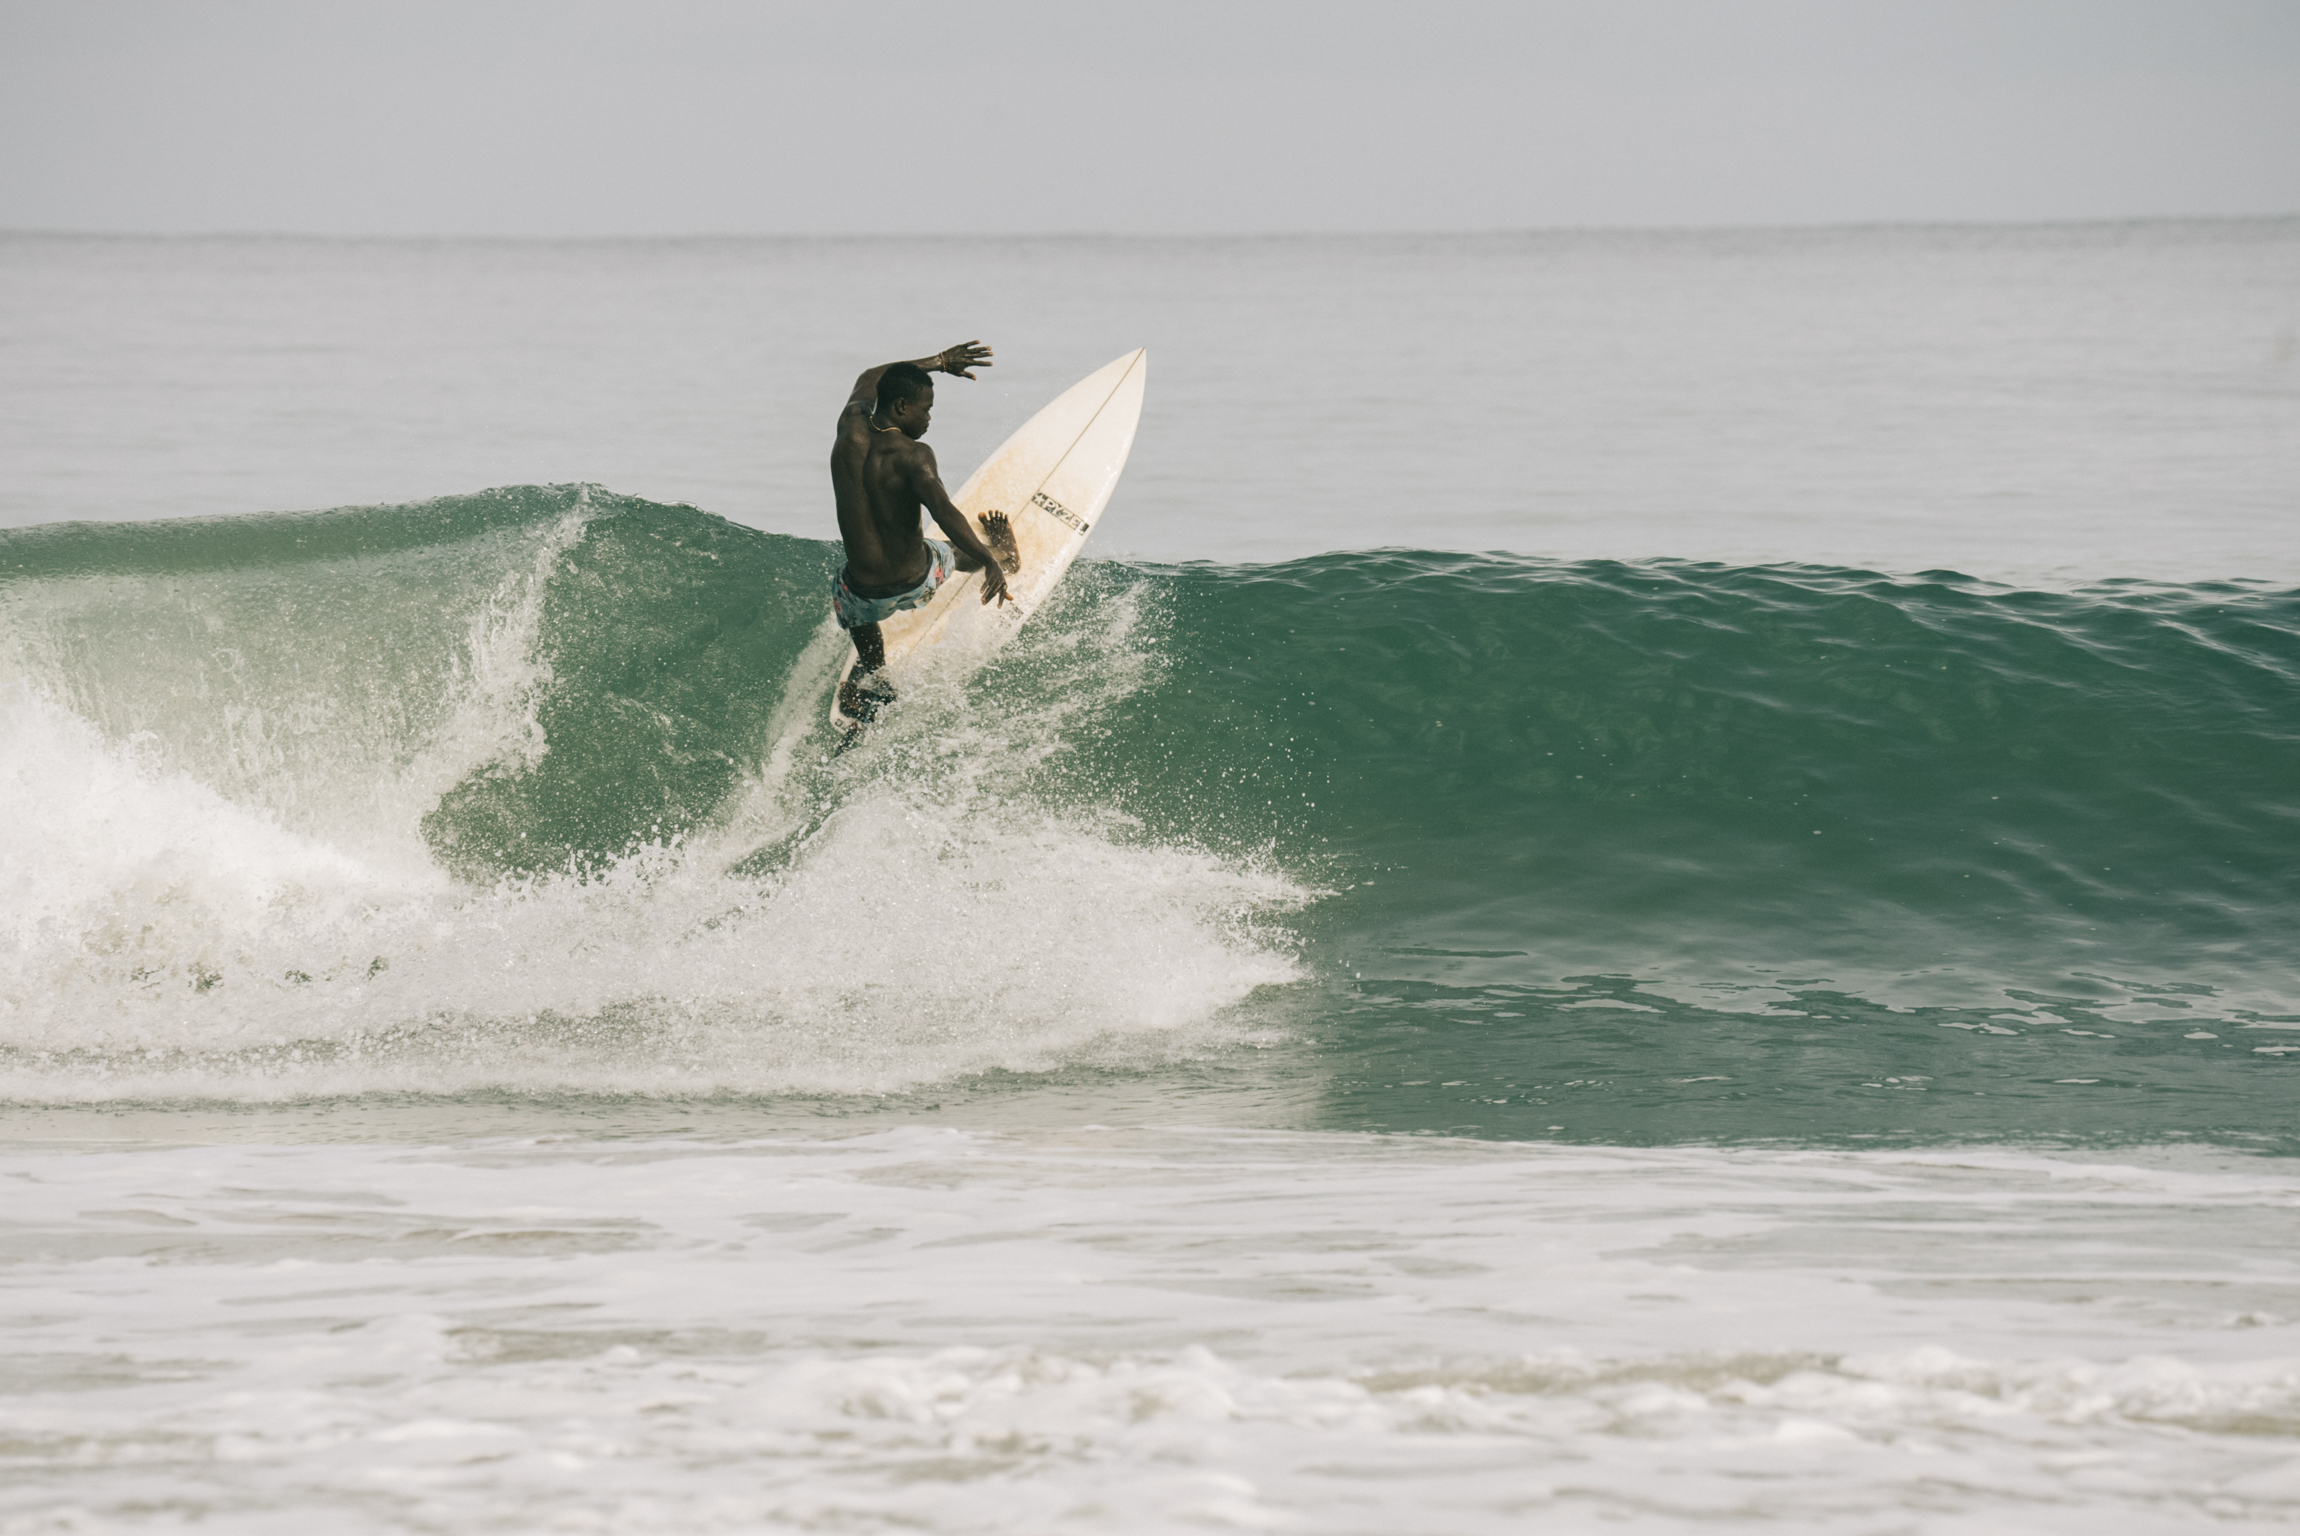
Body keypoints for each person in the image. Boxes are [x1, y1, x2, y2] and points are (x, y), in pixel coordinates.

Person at [827, 342, 1020, 723]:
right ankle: (1005, 557)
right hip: (916, 582)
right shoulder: (914, 455)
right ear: (901, 406)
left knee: (848, 589)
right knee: (948, 550)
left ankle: (876, 678)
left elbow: (869, 377)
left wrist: (939, 362)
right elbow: (944, 511)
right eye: (926, 408)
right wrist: (987, 560)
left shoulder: (849, 425)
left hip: (861, 596)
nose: (930, 418)